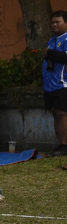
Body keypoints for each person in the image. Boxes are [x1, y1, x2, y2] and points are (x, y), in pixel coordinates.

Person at [42, 10, 67, 156]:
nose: (55, 25)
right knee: (55, 113)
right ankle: (60, 145)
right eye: (53, 22)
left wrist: (49, 53)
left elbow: (65, 57)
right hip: (49, 84)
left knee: (62, 113)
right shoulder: (51, 40)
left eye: (58, 22)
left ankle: (65, 145)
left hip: (61, 83)